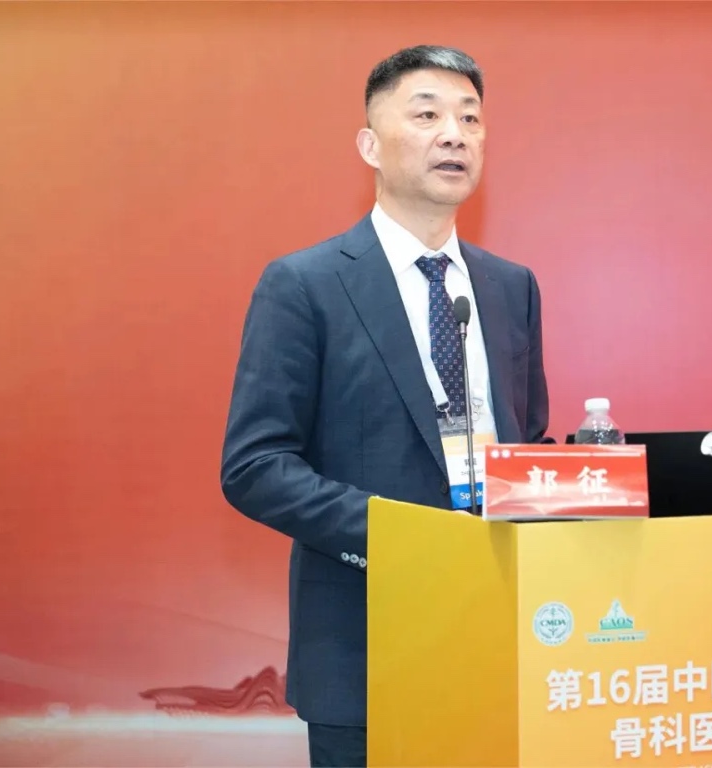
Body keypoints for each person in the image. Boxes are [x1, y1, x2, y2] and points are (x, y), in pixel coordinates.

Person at [220, 44, 550, 767]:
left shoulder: (510, 287)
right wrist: (403, 537)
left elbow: (527, 442)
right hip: (365, 637)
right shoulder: (304, 284)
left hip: (500, 633)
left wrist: (584, 485)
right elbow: (255, 466)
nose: (454, 135)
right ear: (370, 145)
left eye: (470, 118)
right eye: (427, 115)